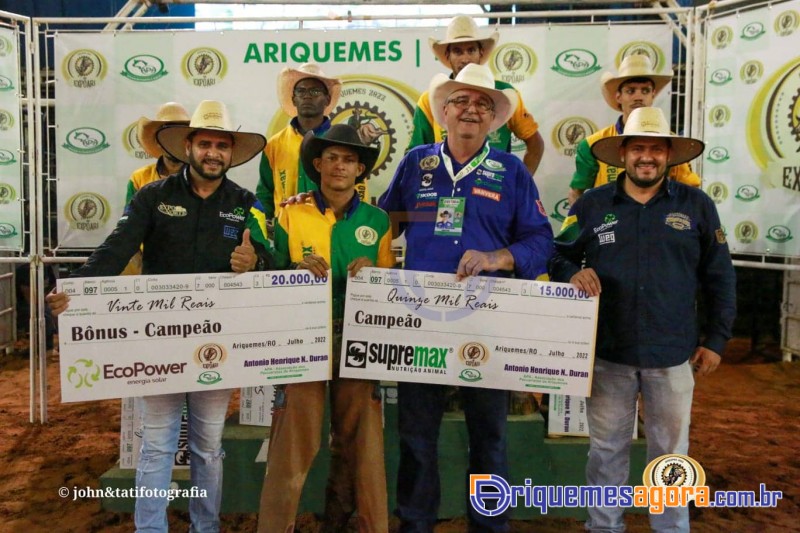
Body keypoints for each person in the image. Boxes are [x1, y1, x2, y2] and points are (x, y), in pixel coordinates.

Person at [46, 100, 273, 533]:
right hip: (160, 343)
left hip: (216, 345)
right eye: (205, 143)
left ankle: (205, 528)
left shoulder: (246, 203)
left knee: (208, 447)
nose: (213, 153)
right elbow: (117, 248)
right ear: (188, 146)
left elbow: (266, 257)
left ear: (232, 153)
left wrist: (254, 261)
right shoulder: (153, 196)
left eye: (221, 145)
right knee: (156, 446)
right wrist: (74, 288)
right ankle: (151, 529)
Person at [379, 63, 553, 532]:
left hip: (485, 323)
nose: (471, 110)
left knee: (489, 437)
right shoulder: (417, 163)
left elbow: (541, 242)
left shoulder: (511, 170)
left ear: (494, 118)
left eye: (482, 104)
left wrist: (497, 258)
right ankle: (416, 524)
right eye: (461, 101)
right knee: (416, 435)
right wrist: (317, 206)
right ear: (445, 111)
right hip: (421, 321)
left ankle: (489, 527)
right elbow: (380, 224)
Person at [549, 107, 736, 532]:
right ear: (623, 154)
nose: (646, 157)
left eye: (656, 148)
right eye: (638, 148)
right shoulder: (593, 204)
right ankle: (604, 528)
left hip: (672, 355)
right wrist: (572, 272)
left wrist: (717, 339)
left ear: (670, 156)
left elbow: (719, 276)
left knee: (670, 454)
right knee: (605, 451)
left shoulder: (698, 206)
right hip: (608, 352)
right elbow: (558, 253)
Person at [258, 124, 394, 533]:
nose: (340, 166)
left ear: (360, 169)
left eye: (349, 159)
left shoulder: (378, 220)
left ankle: (356, 525)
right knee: (293, 442)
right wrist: (293, 269)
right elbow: (271, 269)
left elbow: (389, 283)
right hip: (304, 336)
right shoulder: (290, 212)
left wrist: (375, 271)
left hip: (358, 336)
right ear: (317, 165)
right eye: (332, 158)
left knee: (363, 442)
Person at [406, 15, 545, 175]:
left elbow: (535, 143)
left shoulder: (504, 95)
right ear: (448, 56)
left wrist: (520, 185)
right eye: (457, 51)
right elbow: (415, 155)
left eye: (471, 50)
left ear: (481, 52)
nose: (465, 58)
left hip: (494, 190)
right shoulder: (430, 99)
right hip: (445, 191)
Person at [568, 54, 701, 205]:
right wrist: (584, 225)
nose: (638, 97)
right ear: (618, 96)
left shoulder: (672, 142)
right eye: (631, 91)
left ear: (653, 95)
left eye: (645, 91)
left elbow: (691, 192)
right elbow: (576, 193)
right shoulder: (592, 145)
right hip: (608, 226)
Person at [256, 63, 372, 222]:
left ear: (327, 99)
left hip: (332, 230)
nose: (307, 96)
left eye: (315, 91)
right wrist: (265, 227)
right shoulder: (274, 144)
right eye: (301, 91)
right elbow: (265, 193)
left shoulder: (344, 142)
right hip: (286, 231)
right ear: (293, 99)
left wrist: (353, 225)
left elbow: (358, 189)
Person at [121, 102, 191, 276]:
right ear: (158, 140)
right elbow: (128, 226)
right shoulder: (139, 178)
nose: (173, 141)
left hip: (193, 265)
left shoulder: (203, 179)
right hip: (150, 266)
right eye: (167, 134)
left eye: (178, 134)